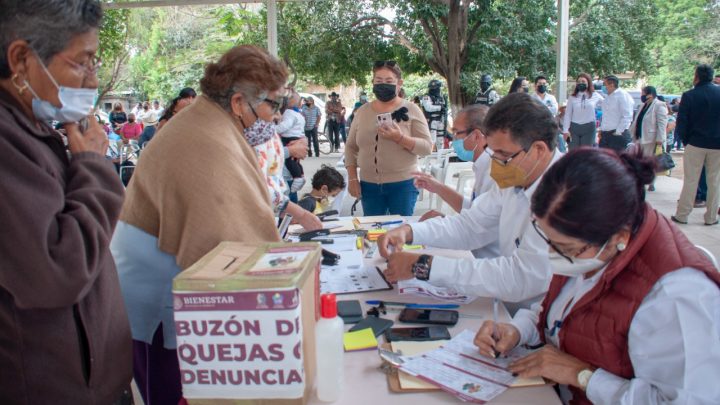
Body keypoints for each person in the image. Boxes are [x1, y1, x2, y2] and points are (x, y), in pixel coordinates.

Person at [111, 45, 317, 405]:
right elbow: (229, 241)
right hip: (155, 300)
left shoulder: (212, 123)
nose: (277, 117)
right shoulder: (206, 138)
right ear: (238, 102)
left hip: (159, 287)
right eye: (272, 105)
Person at [474, 147, 720, 405]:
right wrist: (518, 330)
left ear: (620, 238)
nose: (552, 255)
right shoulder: (596, 245)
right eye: (548, 241)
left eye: (568, 249)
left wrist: (581, 375)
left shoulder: (676, 298)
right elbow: (561, 310)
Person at [0, 0, 132, 402]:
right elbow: (58, 270)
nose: (92, 81)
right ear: (21, 59)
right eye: (82, 62)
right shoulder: (7, 143)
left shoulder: (32, 126)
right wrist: (92, 166)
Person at [378, 93, 561, 306]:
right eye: (493, 153)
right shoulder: (518, 176)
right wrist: (410, 233)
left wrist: (425, 266)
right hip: (517, 313)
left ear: (538, 150)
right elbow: (471, 225)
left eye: (502, 154)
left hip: (542, 317)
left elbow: (522, 277)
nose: (495, 162)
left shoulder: (565, 197)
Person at [410, 104, 500, 258]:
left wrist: (411, 232)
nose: (453, 140)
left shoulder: (496, 171)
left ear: (477, 136)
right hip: (478, 254)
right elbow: (475, 210)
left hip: (489, 258)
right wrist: (438, 187)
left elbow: (475, 227)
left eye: (457, 133)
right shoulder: (482, 166)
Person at [345, 60, 433, 216]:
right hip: (369, 185)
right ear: (372, 82)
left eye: (389, 81)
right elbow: (351, 147)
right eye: (378, 81)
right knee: (374, 231)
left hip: (403, 185)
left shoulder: (412, 109)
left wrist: (400, 138)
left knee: (400, 233)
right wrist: (352, 179)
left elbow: (427, 147)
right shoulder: (362, 112)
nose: (383, 85)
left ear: (399, 83)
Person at [672, 64, 720, 226]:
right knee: (714, 182)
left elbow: (682, 122)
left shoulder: (689, 95)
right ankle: (711, 217)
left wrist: (686, 141)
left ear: (696, 76)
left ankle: (683, 215)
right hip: (718, 144)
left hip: (695, 143)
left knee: (691, 180)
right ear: (712, 76)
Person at [629, 85, 668, 191]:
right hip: (639, 137)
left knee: (650, 161)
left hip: (651, 138)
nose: (642, 95)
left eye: (643, 93)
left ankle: (651, 182)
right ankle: (641, 179)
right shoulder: (643, 105)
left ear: (650, 95)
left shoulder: (659, 105)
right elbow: (637, 120)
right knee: (641, 159)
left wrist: (660, 138)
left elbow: (662, 123)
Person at [562, 73, 603, 150]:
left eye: (583, 81)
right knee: (573, 152)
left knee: (586, 152)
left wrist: (602, 125)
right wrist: (565, 130)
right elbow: (568, 114)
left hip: (589, 128)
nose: (581, 83)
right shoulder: (572, 97)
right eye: (579, 81)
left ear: (588, 83)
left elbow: (607, 106)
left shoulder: (595, 95)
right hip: (574, 128)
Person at [276, 90, 307, 193]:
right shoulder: (297, 114)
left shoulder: (289, 113)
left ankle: (298, 176)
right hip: (281, 179)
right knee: (293, 160)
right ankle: (299, 175)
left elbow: (285, 126)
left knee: (292, 160)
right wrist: (291, 150)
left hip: (286, 179)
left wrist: (302, 143)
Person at [598, 75, 634, 153]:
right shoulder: (608, 97)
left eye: (604, 84)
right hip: (606, 135)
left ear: (612, 84)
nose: (603, 87)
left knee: (618, 160)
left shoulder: (622, 95)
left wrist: (618, 131)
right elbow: (606, 116)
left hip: (617, 134)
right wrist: (602, 129)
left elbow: (627, 115)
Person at [420, 79, 449, 150]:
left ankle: (440, 156)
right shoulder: (426, 97)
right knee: (432, 140)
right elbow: (428, 108)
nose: (436, 90)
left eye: (437, 88)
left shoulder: (442, 97)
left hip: (440, 120)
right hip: (431, 120)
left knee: (440, 140)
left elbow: (444, 108)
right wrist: (440, 107)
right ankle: (427, 156)